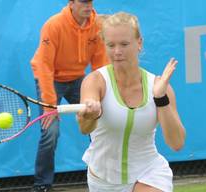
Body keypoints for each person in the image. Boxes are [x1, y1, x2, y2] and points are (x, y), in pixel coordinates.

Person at [77, 12, 186, 192]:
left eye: (124, 44)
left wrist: (161, 99)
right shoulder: (95, 81)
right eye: (111, 45)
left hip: (148, 172)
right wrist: (92, 114)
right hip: (103, 181)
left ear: (139, 43)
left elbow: (177, 143)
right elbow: (84, 128)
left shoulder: (159, 86)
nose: (117, 51)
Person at [30, 0, 109, 191]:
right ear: (71, 3)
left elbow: (100, 63)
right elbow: (44, 65)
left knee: (103, 124)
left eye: (90, 1)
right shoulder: (54, 25)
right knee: (51, 132)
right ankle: (42, 185)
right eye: (83, 1)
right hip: (51, 80)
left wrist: (103, 94)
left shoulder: (98, 24)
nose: (88, 5)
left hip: (78, 79)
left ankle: (105, 177)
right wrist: (49, 104)